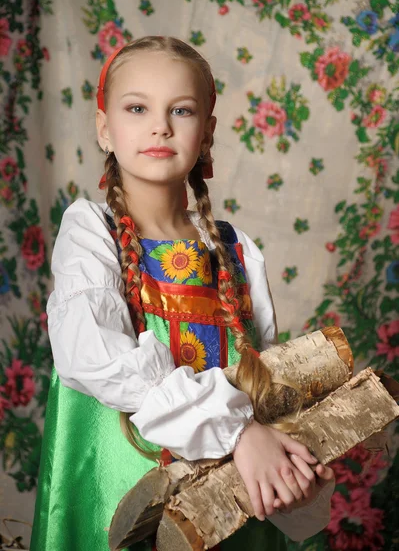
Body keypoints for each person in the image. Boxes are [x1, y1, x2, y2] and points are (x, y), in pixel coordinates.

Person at [31, 36, 335, 551]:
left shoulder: (236, 251)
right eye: (136, 107)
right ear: (104, 128)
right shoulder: (90, 233)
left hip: (234, 508)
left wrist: (292, 468)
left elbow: (267, 395)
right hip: (118, 502)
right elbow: (93, 356)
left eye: (181, 109)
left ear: (207, 132)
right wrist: (238, 433)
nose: (160, 125)